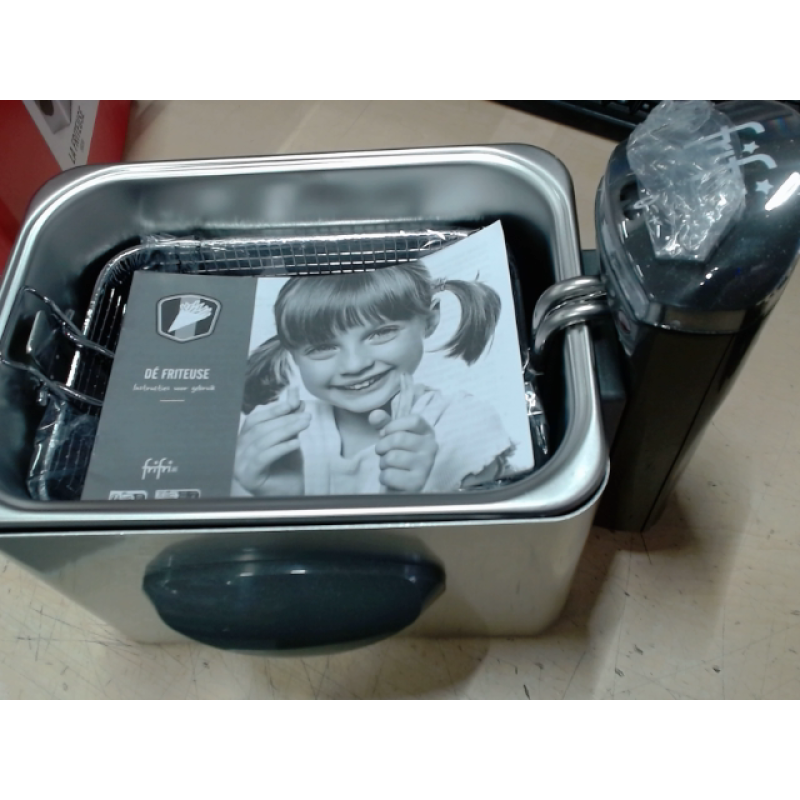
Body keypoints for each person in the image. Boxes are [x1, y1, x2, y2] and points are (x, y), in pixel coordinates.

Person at [232, 261, 517, 497]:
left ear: (430, 321)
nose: (355, 365)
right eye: (321, 348)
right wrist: (281, 499)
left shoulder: (464, 423)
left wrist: (408, 499)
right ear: (293, 355)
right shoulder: (277, 437)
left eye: (380, 333)